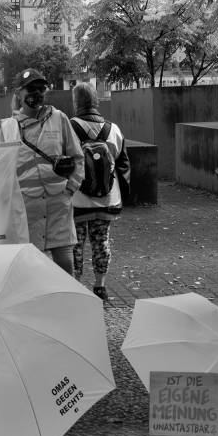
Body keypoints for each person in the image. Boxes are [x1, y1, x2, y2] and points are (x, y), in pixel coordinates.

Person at [0, 68, 84, 275]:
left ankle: (66, 305)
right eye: (30, 89)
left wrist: (70, 188)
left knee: (65, 264)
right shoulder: (9, 127)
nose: (36, 94)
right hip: (28, 208)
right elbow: (0, 171)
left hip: (58, 204)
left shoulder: (59, 118)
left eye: (40, 89)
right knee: (32, 268)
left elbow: (78, 157)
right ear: (18, 93)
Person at [69, 82, 130, 301]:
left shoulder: (69, 127)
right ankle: (100, 286)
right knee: (101, 240)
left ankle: (75, 285)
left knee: (76, 242)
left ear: (77, 102)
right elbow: (123, 165)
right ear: (96, 101)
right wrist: (125, 195)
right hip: (107, 199)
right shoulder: (113, 129)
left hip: (77, 199)